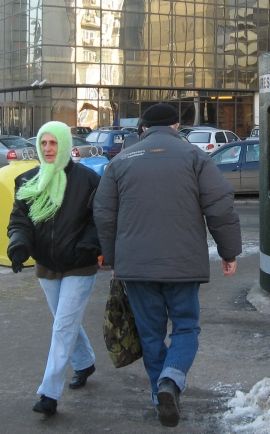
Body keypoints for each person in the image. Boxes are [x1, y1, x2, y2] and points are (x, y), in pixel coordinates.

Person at [93, 103, 242, 427]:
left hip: (136, 268)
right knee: (186, 327)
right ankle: (170, 382)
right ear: (177, 126)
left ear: (143, 128)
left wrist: (113, 258)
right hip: (183, 265)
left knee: (150, 335)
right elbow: (220, 206)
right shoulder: (195, 157)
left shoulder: (120, 162)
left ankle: (158, 392)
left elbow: (103, 213)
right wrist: (229, 253)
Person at [7, 121, 101, 416]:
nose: (48, 149)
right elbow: (19, 221)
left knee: (62, 327)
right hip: (47, 265)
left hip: (79, 265)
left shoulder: (87, 180)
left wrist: (89, 245)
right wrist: (19, 245)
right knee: (65, 321)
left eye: (54, 143)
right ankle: (85, 362)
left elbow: (99, 219)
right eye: (44, 143)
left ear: (64, 145)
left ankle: (49, 393)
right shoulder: (28, 180)